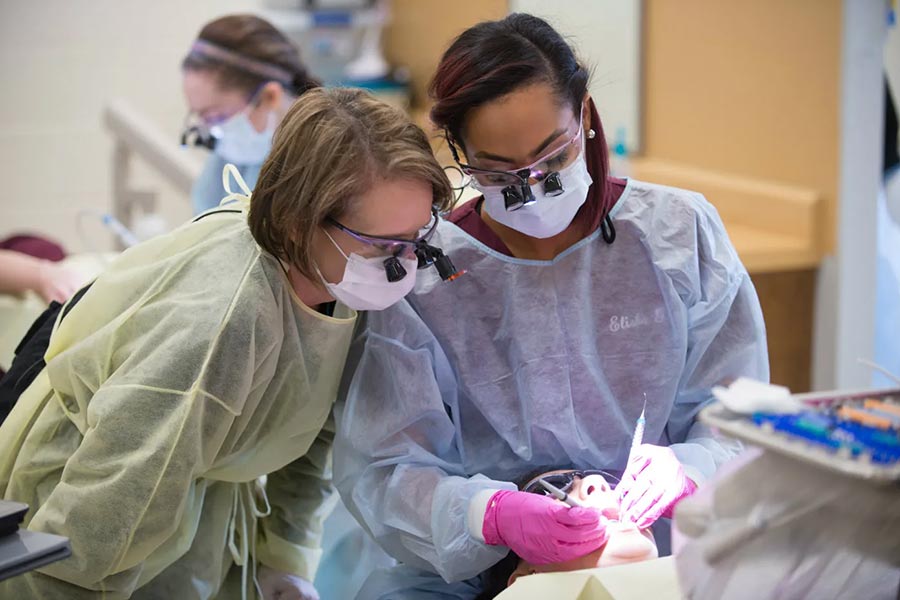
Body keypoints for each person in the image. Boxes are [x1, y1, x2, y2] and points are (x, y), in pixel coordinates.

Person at [334, 13, 768, 598]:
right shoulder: (423, 276)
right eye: (500, 172)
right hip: (471, 572)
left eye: (551, 157)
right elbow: (387, 471)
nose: (533, 187)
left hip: (665, 556)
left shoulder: (676, 235)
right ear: (460, 154)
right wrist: (485, 516)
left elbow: (738, 423)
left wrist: (690, 467)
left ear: (585, 117)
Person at [0, 87, 454, 599]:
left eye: (418, 239)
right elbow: (101, 521)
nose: (406, 265)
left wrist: (285, 556)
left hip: (186, 508)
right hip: (82, 514)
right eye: (385, 246)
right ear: (296, 221)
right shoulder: (223, 322)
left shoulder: (344, 282)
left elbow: (316, 424)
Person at [181, 14, 319, 215]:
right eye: (200, 117)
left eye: (214, 116)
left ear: (270, 97)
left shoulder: (332, 162)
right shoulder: (231, 157)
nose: (209, 129)